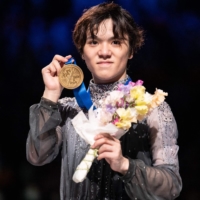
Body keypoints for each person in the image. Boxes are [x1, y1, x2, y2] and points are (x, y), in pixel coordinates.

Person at [26, 2, 182, 200]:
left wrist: (126, 165)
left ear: (132, 50)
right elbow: (37, 156)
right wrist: (50, 94)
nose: (104, 52)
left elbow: (171, 187)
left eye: (116, 42)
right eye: (94, 42)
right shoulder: (68, 109)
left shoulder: (153, 109)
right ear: (82, 52)